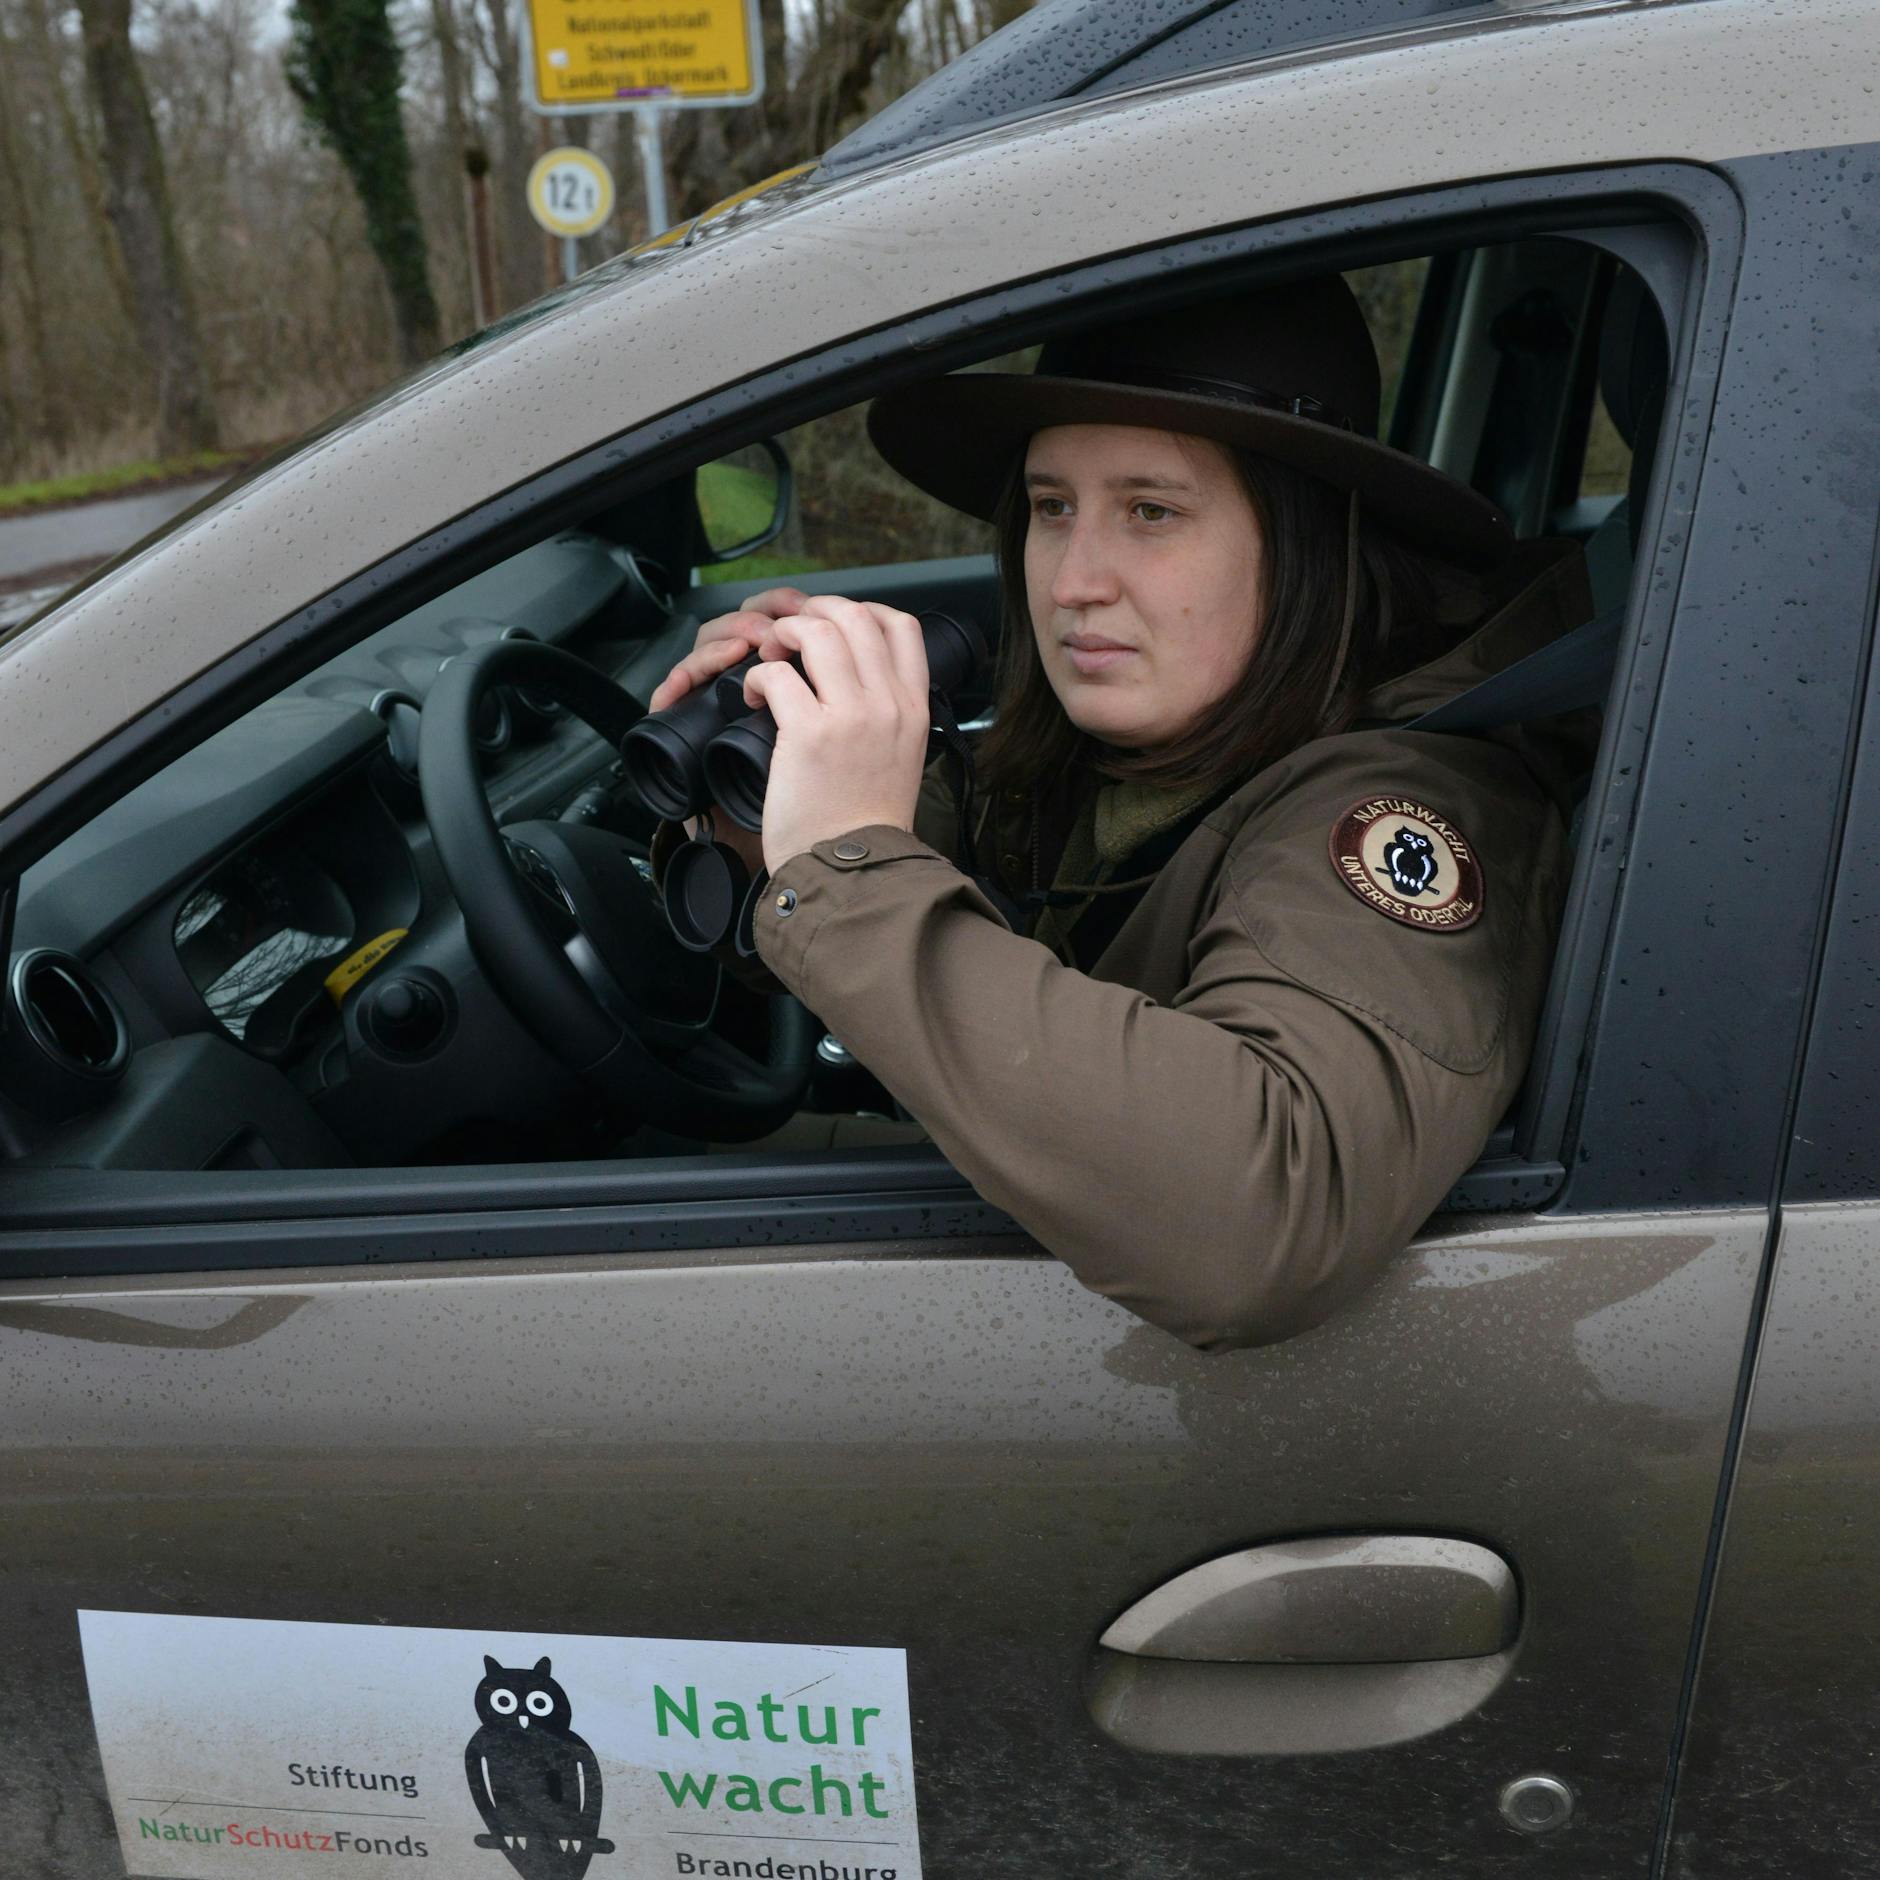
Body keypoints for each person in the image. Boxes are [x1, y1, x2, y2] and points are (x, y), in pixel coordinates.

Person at [647, 276, 1595, 1353]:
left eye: (1151, 510)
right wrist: (760, 801)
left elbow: (1263, 1214)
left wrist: (845, 873)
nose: (1073, 580)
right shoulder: (1125, 745)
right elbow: (952, 861)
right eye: (1053, 508)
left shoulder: (1400, 807)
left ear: (1301, 543)